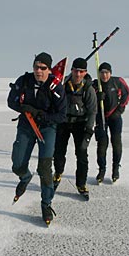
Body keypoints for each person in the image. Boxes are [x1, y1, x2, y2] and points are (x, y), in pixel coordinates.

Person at [7, 52, 67, 224]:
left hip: (47, 128)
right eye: (36, 67)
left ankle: (46, 204)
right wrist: (22, 107)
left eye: (43, 68)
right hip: (26, 126)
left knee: (45, 169)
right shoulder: (24, 81)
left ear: (49, 69)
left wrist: (41, 115)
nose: (38, 71)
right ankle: (25, 177)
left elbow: (62, 115)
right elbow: (11, 101)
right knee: (17, 164)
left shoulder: (55, 86)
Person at [52, 57, 97, 200]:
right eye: (76, 71)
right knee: (59, 152)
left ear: (85, 73)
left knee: (82, 154)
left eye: (81, 72)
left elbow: (92, 111)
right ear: (71, 70)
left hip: (80, 124)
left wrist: (89, 130)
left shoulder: (88, 89)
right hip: (63, 122)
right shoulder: (62, 84)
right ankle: (58, 174)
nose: (78, 74)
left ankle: (81, 184)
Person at [93, 62, 129, 183]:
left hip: (115, 117)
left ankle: (116, 169)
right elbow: (87, 96)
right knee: (102, 145)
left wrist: (120, 109)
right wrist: (97, 97)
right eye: (102, 73)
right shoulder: (95, 84)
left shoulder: (118, 81)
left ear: (110, 73)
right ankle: (102, 170)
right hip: (101, 118)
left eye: (106, 73)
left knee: (116, 143)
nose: (104, 75)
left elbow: (128, 94)